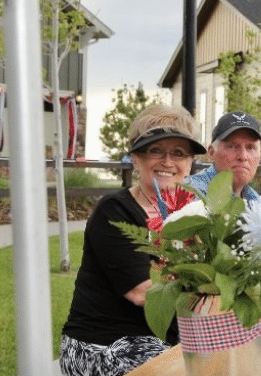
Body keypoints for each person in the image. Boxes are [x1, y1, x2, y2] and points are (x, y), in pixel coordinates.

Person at [60, 104, 206, 376]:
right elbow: (144, 292)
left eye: (178, 153)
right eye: (155, 150)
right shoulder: (114, 211)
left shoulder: (194, 214)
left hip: (165, 342)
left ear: (189, 164)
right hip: (102, 346)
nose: (167, 161)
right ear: (136, 158)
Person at [187, 110, 261, 202]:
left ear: (260, 156)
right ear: (211, 153)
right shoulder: (191, 194)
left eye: (250, 147)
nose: (243, 156)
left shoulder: (254, 199)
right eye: (232, 146)